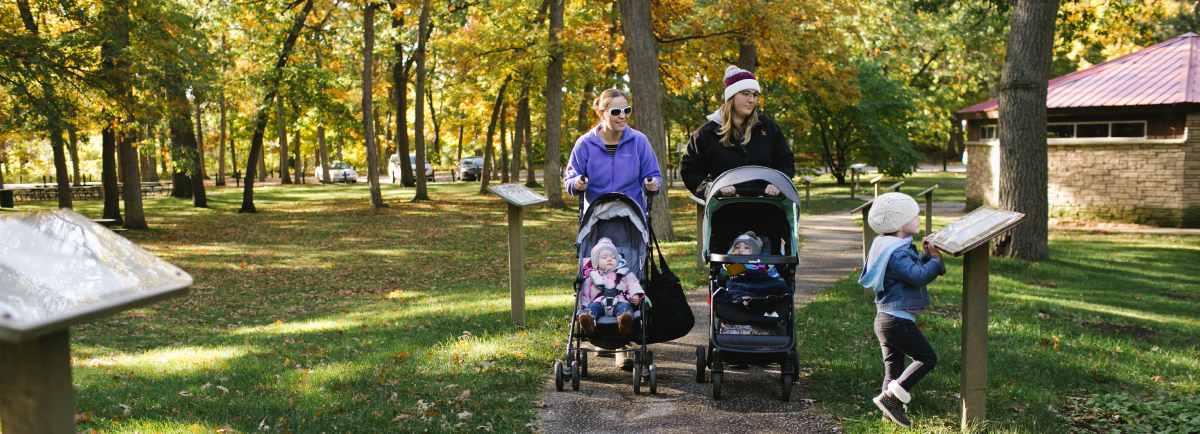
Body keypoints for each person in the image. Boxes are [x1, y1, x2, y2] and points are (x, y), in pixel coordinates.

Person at [857, 192, 946, 428]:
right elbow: (917, 276)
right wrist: (936, 260)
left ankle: (889, 417)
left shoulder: (888, 246)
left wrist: (925, 257)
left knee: (893, 371)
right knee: (927, 358)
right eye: (914, 215)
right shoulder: (896, 252)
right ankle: (890, 398)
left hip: (885, 319)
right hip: (897, 322)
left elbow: (911, 268)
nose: (919, 219)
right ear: (899, 223)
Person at [681, 65, 795, 198]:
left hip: (766, 211)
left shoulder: (768, 129)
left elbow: (786, 161)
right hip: (725, 211)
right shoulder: (706, 134)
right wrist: (714, 188)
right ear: (731, 96)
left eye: (755, 95)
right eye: (745, 94)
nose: (751, 100)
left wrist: (779, 183)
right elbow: (690, 171)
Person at [564, 89, 662, 213]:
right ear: (600, 113)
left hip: (631, 218)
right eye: (615, 112)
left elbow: (653, 176)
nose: (623, 116)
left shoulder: (639, 141)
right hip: (596, 219)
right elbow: (570, 181)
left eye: (626, 110)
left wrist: (652, 184)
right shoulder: (584, 144)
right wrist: (576, 183)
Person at [578, 238, 645, 335]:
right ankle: (588, 321)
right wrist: (584, 305)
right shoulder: (592, 277)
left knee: (624, 308)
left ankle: (624, 322)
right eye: (604, 258)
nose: (609, 259)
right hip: (598, 302)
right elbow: (585, 292)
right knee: (592, 308)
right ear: (596, 262)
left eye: (613, 257)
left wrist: (635, 294)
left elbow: (633, 284)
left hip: (620, 301)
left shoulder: (624, 273)